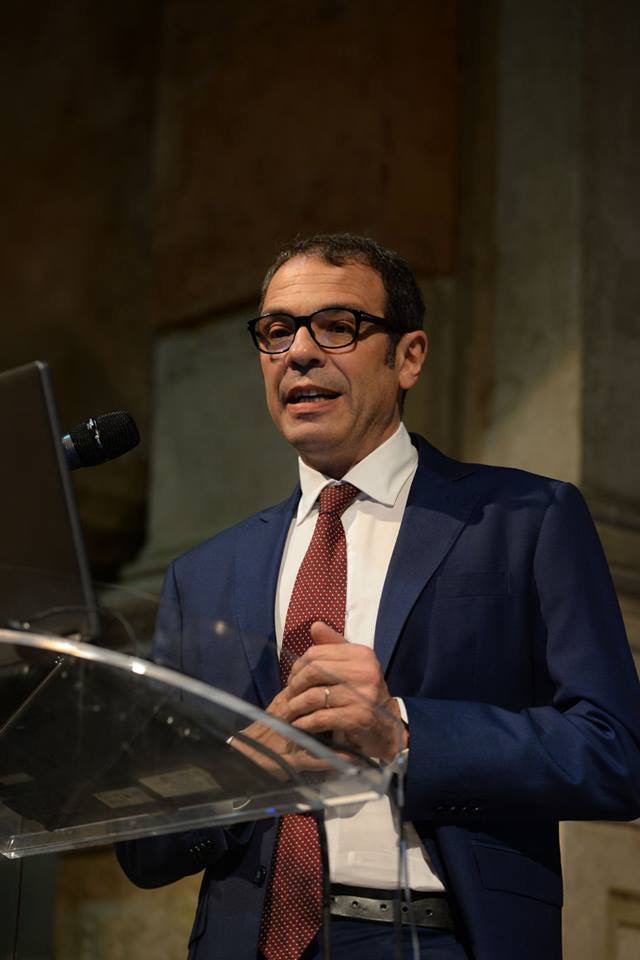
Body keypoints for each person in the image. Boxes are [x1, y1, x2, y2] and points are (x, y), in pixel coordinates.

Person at [117, 233, 640, 960]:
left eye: (337, 326)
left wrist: (405, 733)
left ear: (409, 357)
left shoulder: (524, 520)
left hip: (439, 937)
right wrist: (243, 775)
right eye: (277, 331)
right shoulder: (204, 573)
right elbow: (144, 848)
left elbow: (617, 754)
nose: (300, 353)